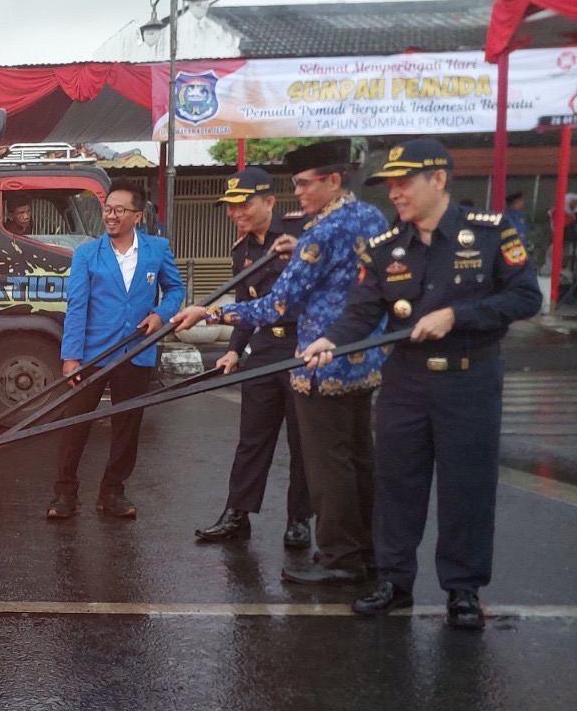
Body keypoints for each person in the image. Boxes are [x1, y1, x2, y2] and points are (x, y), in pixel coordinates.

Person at [302, 139, 542, 629]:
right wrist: (328, 340)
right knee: (397, 485)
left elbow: (525, 297)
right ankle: (394, 581)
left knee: (466, 488)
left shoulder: (495, 234)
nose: (395, 193)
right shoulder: (385, 248)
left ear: (438, 180)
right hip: (406, 384)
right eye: (389, 184)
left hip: (469, 380)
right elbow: (362, 311)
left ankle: (463, 590)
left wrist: (458, 315)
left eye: (404, 181)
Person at [173, 140, 389, 586]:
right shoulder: (369, 217)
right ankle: (367, 552)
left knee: (326, 465)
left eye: (305, 184)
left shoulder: (321, 230)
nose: (301, 193)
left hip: (317, 362)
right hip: (358, 357)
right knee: (356, 461)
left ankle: (337, 556)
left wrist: (210, 312)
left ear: (333, 180)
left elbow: (278, 304)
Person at [48, 180, 184, 520]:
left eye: (119, 210)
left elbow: (175, 290)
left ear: (137, 215)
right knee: (75, 424)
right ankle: (65, 493)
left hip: (136, 352)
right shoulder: (87, 254)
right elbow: (76, 305)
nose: (110, 216)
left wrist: (161, 315)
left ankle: (112, 492)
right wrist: (70, 358)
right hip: (92, 355)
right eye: (107, 209)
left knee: (127, 426)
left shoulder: (157, 249)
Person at [194, 167, 313, 549]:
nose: (235, 213)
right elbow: (246, 305)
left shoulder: (302, 234)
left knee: (302, 441)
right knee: (252, 438)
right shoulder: (242, 250)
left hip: (302, 348)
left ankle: (299, 520)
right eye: (230, 207)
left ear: (270, 202)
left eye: (243, 205)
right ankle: (237, 514)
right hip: (263, 350)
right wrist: (232, 349)